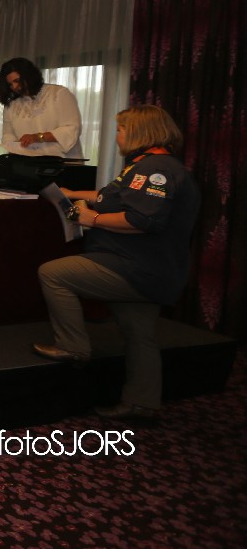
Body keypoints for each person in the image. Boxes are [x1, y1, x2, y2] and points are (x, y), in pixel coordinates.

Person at [33, 105, 200, 422]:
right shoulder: (147, 166)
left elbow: (141, 220)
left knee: (53, 274)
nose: (117, 136)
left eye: (121, 130)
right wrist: (74, 193)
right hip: (150, 268)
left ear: (139, 132)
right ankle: (141, 403)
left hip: (137, 267)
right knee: (139, 333)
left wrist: (90, 219)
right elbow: (115, 196)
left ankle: (72, 345)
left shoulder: (156, 171)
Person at [0, 57, 83, 158]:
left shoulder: (59, 94)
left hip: (64, 163)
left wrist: (38, 137)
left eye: (17, 80)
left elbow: (72, 129)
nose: (15, 87)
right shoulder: (11, 106)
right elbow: (8, 136)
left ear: (29, 75)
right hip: (28, 164)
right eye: (10, 84)